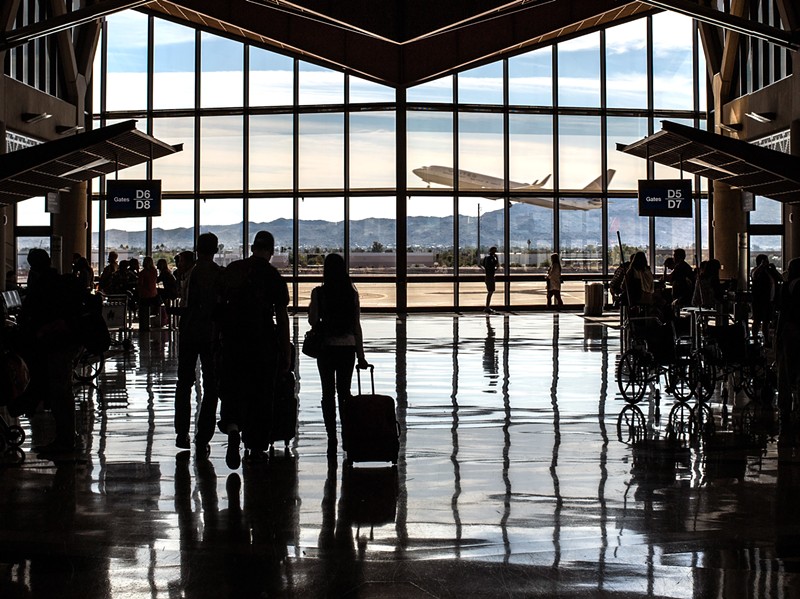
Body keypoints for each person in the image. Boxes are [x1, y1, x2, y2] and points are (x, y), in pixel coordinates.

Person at [218, 231, 290, 468]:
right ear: (270, 251)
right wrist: (286, 351)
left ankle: (232, 427)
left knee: (234, 389)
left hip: (232, 341)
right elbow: (281, 317)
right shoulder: (272, 276)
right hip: (262, 342)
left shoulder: (233, 270)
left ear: (251, 248)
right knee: (261, 395)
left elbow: (218, 309)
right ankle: (256, 446)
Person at [15, 249, 85, 454]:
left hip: (56, 343)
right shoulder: (58, 281)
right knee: (62, 392)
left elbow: (32, 312)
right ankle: (66, 438)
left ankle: (64, 441)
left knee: (59, 393)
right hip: (68, 341)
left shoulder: (43, 285)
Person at [308, 253, 369, 455]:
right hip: (347, 347)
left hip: (326, 347)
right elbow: (356, 326)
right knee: (344, 392)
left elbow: (313, 320)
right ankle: (346, 433)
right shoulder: (351, 294)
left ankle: (331, 435)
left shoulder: (319, 293)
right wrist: (360, 355)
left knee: (328, 392)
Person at [174, 233, 223, 453]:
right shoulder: (216, 274)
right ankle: (203, 434)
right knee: (211, 385)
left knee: (184, 382)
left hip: (188, 332)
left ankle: (181, 431)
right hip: (209, 334)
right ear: (216, 249)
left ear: (196, 249)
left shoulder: (188, 273)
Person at [776, 258, 800, 428]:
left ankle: (785, 407)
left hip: (790, 331)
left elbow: (781, 311)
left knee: (785, 370)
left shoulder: (788, 286)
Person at [751, 254, 777, 344]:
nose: (768, 263)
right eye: (766, 261)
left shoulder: (769, 271)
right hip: (759, 300)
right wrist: (761, 266)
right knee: (757, 320)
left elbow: (780, 278)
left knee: (766, 321)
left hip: (769, 300)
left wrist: (774, 270)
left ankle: (766, 339)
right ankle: (754, 338)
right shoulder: (756, 270)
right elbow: (754, 275)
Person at [137, 256, 159, 331]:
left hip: (145, 294)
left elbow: (140, 284)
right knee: (149, 310)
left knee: (143, 311)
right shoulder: (155, 271)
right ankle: (148, 325)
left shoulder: (143, 273)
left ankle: (143, 326)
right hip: (153, 293)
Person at [480, 246, 499, 313]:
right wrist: (497, 259)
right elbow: (496, 266)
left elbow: (484, 266)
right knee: (490, 291)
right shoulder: (491, 258)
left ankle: (487, 306)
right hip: (490, 277)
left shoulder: (486, 257)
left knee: (490, 291)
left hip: (488, 276)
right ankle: (487, 307)